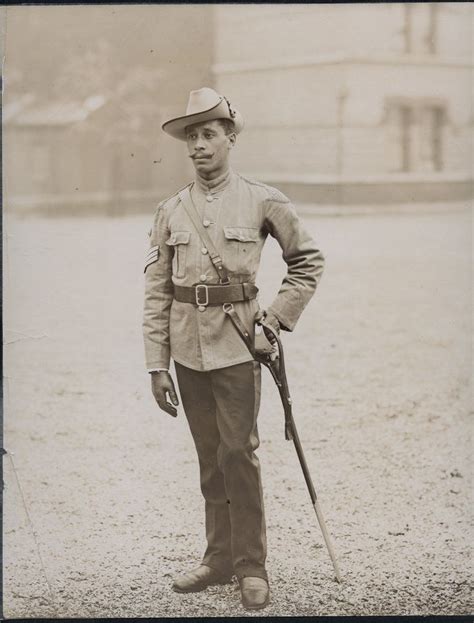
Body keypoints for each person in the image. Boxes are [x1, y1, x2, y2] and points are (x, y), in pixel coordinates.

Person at [143, 87, 325, 610]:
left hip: (240, 348)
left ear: (230, 137)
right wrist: (157, 363)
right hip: (186, 351)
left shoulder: (264, 199)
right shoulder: (170, 210)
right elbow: (156, 290)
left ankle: (251, 565)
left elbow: (307, 261)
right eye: (191, 137)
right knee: (208, 457)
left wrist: (274, 321)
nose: (199, 146)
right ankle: (218, 558)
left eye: (209, 134)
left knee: (238, 454)